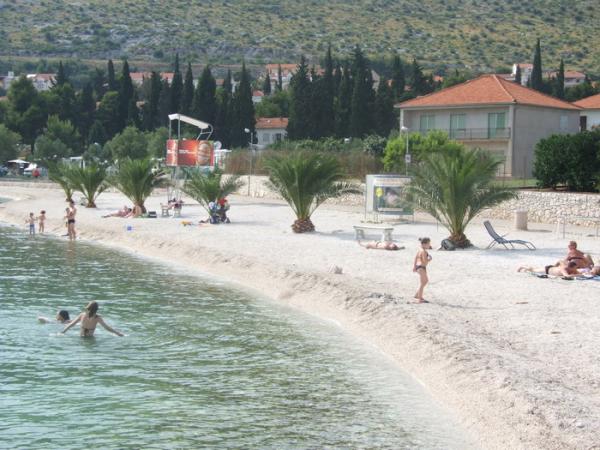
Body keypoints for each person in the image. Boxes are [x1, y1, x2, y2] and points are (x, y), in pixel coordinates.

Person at [413, 237, 433, 303]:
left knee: (425, 281)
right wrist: (429, 259)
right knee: (423, 283)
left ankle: (417, 294)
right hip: (421, 267)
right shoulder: (424, 251)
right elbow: (425, 261)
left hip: (418, 267)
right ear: (424, 244)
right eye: (428, 244)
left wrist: (414, 267)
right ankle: (420, 298)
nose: (429, 245)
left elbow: (416, 258)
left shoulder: (420, 249)